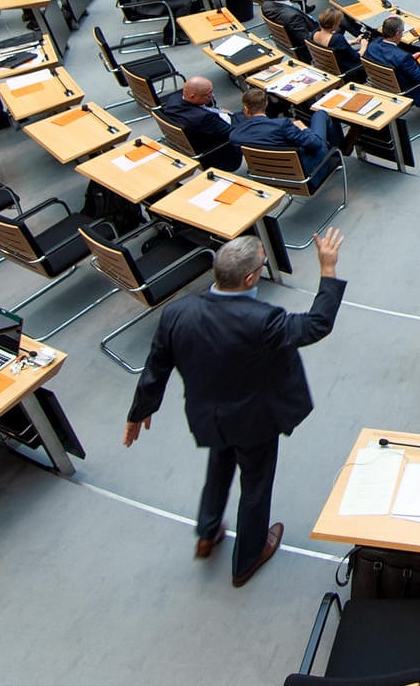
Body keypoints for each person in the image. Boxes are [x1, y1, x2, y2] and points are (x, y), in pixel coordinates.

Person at [124, 232, 345, 588]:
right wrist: (328, 267)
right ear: (250, 278)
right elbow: (317, 324)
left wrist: (140, 410)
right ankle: (248, 557)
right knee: (255, 484)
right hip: (254, 420)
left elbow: (156, 365)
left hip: (208, 416)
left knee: (220, 463)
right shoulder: (264, 320)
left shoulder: (177, 312)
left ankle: (208, 532)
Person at [228, 87, 341, 189]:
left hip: (268, 179)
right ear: (266, 104)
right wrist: (303, 129)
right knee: (320, 115)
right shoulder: (282, 125)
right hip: (308, 176)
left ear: (246, 109)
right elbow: (315, 144)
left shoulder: (235, 136)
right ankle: (339, 151)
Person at [160, 75, 241, 170]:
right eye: (208, 94)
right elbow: (232, 132)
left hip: (197, 141)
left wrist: (217, 110)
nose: (212, 95)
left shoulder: (173, 100)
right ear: (192, 96)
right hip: (219, 153)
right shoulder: (203, 118)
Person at [311, 6, 365, 77]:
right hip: (349, 70)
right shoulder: (337, 39)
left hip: (330, 66)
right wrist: (364, 46)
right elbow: (356, 57)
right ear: (334, 25)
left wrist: (353, 42)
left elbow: (335, 48)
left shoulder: (315, 33)